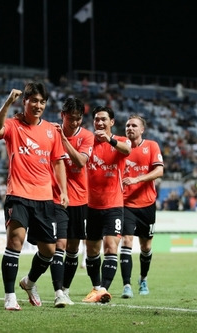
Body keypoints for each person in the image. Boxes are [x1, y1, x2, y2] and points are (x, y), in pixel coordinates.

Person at [0, 82, 68, 311]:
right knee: (15, 240)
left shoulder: (51, 131)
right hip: (18, 193)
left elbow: (58, 162)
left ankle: (29, 282)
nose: (38, 105)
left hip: (44, 197)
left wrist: (63, 191)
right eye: (33, 100)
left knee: (49, 251)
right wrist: (6, 103)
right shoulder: (13, 125)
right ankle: (9, 296)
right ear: (24, 101)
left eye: (42, 102)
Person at [83, 106, 131, 303]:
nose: (100, 123)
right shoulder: (88, 142)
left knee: (110, 246)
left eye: (103, 119)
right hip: (91, 206)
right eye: (96, 120)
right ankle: (97, 288)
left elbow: (127, 149)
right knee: (92, 250)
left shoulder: (120, 141)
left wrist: (109, 140)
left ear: (112, 122)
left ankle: (104, 289)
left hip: (113, 205)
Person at [49, 97, 94, 306]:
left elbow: (81, 161)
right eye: (70, 118)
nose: (74, 122)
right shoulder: (51, 133)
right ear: (62, 115)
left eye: (78, 119)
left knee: (73, 249)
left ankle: (65, 289)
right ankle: (58, 292)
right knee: (60, 244)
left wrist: (63, 139)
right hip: (56, 198)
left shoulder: (87, 136)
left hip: (80, 199)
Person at [120, 114, 164, 298]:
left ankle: (143, 278)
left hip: (147, 204)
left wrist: (137, 179)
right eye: (128, 125)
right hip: (126, 204)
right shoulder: (120, 146)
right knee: (127, 242)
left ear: (142, 129)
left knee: (145, 247)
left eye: (134, 125)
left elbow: (159, 170)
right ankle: (127, 285)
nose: (130, 128)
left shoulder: (151, 146)